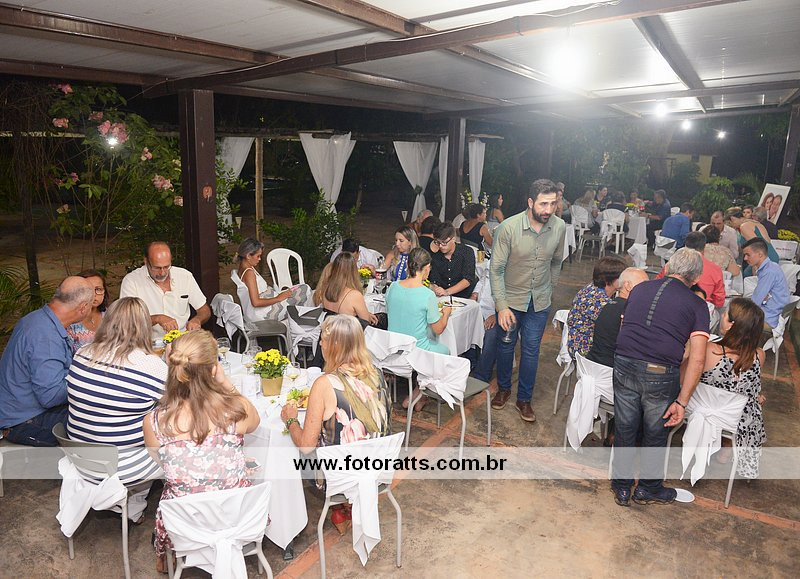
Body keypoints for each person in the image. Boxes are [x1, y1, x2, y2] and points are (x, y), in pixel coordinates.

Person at [143, 330, 260, 572]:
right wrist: (226, 383)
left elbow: (160, 462)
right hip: (235, 519)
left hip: (186, 524)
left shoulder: (154, 422)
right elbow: (255, 422)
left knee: (169, 489)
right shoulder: (235, 412)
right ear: (213, 370)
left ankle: (164, 554)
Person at [611, 248, 710, 507]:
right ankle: (648, 488)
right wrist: (682, 401)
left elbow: (624, 326)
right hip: (660, 371)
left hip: (624, 361)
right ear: (696, 278)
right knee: (655, 432)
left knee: (625, 426)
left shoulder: (640, 289)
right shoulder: (697, 304)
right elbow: (698, 359)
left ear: (668, 267)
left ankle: (622, 487)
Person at [280, 315, 389, 533]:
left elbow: (306, 446)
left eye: (323, 339)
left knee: (287, 453)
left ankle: (293, 518)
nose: (320, 343)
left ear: (335, 346)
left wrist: (290, 419)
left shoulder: (324, 384)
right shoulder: (377, 373)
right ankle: (345, 508)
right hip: (377, 468)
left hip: (339, 477)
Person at [67, 297, 166, 523]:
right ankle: (139, 507)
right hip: (122, 466)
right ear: (144, 326)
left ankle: (131, 504)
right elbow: (181, 402)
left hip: (80, 458)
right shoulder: (150, 366)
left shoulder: (82, 352)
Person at [490, 178, 565, 423]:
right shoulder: (508, 228)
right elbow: (496, 270)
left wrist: (550, 289)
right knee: (506, 345)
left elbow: (557, 261)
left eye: (552, 204)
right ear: (531, 202)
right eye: (543, 204)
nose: (548, 210)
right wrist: (501, 306)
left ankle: (524, 399)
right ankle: (503, 389)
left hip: (539, 302)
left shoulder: (560, 227)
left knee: (531, 350)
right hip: (510, 301)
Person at [0, 277, 93, 446]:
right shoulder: (46, 336)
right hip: (23, 420)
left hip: (20, 409)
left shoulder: (37, 319)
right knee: (99, 420)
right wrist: (90, 382)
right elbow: (50, 396)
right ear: (83, 307)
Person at [699, 298, 766, 479]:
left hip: (704, 411)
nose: (722, 316)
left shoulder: (709, 350)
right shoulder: (759, 355)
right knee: (752, 400)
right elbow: (748, 387)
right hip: (736, 419)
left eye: (725, 314)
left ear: (732, 325)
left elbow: (686, 380)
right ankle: (727, 448)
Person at [120, 241, 210, 340]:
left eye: (167, 267)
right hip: (146, 342)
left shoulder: (185, 276)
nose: (162, 273)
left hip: (181, 341)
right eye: (157, 268)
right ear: (146, 261)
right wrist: (157, 318)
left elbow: (204, 310)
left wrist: (197, 320)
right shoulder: (131, 281)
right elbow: (127, 320)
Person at [386, 248, 451, 355]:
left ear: (407, 265)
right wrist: (446, 313)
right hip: (417, 349)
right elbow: (438, 329)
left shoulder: (393, 287)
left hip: (393, 346)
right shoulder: (427, 295)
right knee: (446, 350)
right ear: (426, 268)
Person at [586, 268, 649, 368]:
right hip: (611, 370)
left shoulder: (607, 305)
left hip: (591, 366)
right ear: (628, 286)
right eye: (644, 285)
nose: (648, 290)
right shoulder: (632, 311)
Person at [566, 256, 627, 358]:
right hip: (586, 352)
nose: (625, 281)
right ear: (609, 279)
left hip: (575, 343)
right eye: (622, 278)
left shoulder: (590, 288)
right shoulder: (601, 301)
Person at [313, 252, 385, 329]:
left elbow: (339, 313)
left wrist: (366, 314)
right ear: (353, 270)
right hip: (347, 333)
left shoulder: (326, 288)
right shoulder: (354, 295)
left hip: (331, 329)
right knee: (383, 318)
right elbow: (365, 322)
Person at [656, 232, 725, 308]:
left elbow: (657, 285)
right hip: (703, 308)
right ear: (704, 246)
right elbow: (719, 301)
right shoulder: (715, 269)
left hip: (670, 305)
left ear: (685, 245)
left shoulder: (672, 264)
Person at [234, 238, 297, 320]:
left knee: (299, 290)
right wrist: (278, 298)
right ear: (248, 256)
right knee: (304, 293)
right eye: (258, 256)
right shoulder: (249, 273)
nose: (259, 259)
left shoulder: (244, 268)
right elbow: (256, 302)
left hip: (267, 304)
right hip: (264, 313)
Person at [742, 238, 790, 329]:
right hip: (773, 312)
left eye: (748, 255)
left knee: (735, 320)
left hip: (769, 318)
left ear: (760, 254)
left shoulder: (768, 272)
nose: (745, 258)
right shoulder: (772, 266)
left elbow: (755, 302)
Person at [428, 222, 478, 299]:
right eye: (437, 242)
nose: (440, 246)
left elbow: (468, 279)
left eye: (444, 242)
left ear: (453, 238)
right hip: (442, 297)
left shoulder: (466, 252)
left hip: (463, 297)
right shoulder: (435, 255)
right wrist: (435, 287)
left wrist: (447, 292)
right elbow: (434, 279)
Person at [67, 269, 109, 351]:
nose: (94, 294)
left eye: (98, 289)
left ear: (104, 292)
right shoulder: (70, 321)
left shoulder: (111, 316)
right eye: (88, 289)